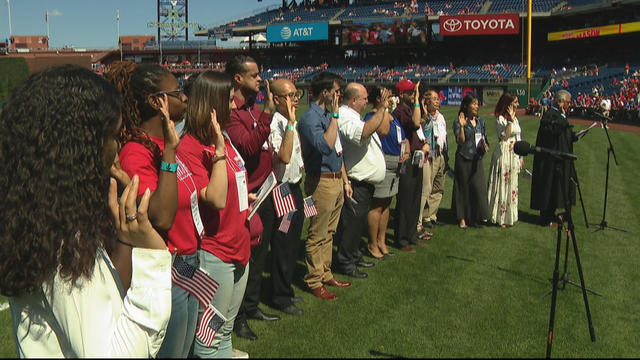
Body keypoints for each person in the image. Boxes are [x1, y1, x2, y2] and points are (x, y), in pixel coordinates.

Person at [1, 65, 171, 357]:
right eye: (115, 136)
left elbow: (97, 306)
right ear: (81, 146)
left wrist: (126, 239)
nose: (118, 150)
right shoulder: (66, 245)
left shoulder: (39, 217)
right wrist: (153, 258)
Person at [107, 62, 196, 358]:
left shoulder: (163, 142)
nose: (184, 97)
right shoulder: (136, 152)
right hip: (165, 274)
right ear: (156, 101)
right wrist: (170, 152)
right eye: (177, 91)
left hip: (187, 266)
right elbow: (161, 216)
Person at [178, 71, 250, 357]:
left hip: (239, 247)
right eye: (230, 101)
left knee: (225, 330)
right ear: (212, 105)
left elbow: (232, 184)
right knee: (209, 339)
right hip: (214, 254)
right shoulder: (190, 147)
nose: (235, 106)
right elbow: (216, 199)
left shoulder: (225, 138)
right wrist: (219, 151)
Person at [224, 55, 279, 341]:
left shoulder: (253, 108)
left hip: (265, 191)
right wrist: (267, 114)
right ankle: (238, 317)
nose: (260, 79)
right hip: (248, 195)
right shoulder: (230, 113)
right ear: (238, 78)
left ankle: (252, 305)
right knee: (244, 260)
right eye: (255, 75)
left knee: (259, 258)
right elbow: (247, 146)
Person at [298, 72, 352, 301]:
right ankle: (314, 280)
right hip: (320, 182)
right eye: (337, 91)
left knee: (329, 232)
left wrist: (346, 180)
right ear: (325, 92)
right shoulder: (311, 118)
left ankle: (325, 272)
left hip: (336, 180)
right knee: (317, 233)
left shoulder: (329, 115)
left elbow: (338, 152)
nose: (339, 95)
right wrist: (336, 115)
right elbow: (326, 145)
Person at [334, 83, 387, 279]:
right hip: (356, 181)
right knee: (351, 224)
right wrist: (381, 109)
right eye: (364, 98)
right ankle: (346, 261)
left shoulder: (353, 116)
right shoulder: (345, 115)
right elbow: (362, 134)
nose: (367, 101)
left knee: (357, 224)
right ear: (354, 100)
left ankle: (354, 255)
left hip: (364, 182)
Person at [268, 79, 305, 316]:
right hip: (282, 190)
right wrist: (291, 124)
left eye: (296, 93)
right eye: (290, 95)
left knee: (292, 243)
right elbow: (283, 156)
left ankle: (286, 288)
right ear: (277, 99)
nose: (295, 99)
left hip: (295, 188)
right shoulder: (276, 124)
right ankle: (279, 296)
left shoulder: (290, 122)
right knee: (283, 243)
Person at [366, 85, 408, 259]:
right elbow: (382, 131)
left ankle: (381, 241)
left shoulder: (393, 117)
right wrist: (383, 108)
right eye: (387, 96)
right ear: (378, 98)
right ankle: (372, 243)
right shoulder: (373, 116)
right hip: (382, 163)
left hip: (395, 164)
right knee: (377, 205)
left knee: (386, 205)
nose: (391, 99)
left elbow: (403, 137)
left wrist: (406, 152)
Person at [531, 89, 579, 226]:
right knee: (548, 188)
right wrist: (564, 121)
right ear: (560, 102)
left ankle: (551, 215)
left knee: (555, 188)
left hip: (558, 159)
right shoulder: (550, 115)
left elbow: (562, 134)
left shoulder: (559, 115)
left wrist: (574, 136)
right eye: (568, 102)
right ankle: (546, 217)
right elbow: (552, 133)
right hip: (549, 161)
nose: (569, 105)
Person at [392, 79, 429, 252]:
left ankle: (412, 234)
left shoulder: (408, 109)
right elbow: (415, 123)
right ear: (402, 94)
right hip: (407, 158)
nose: (413, 95)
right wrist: (417, 101)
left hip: (417, 156)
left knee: (415, 196)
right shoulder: (400, 110)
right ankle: (402, 239)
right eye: (410, 92)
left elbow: (419, 126)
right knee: (406, 200)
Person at [452, 94, 489, 228]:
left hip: (477, 159)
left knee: (477, 188)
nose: (476, 106)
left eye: (477, 103)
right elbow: (459, 141)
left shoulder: (481, 122)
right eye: (473, 104)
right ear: (466, 106)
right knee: (463, 188)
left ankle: (474, 216)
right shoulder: (459, 121)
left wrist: (485, 146)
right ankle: (462, 218)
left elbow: (485, 140)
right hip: (463, 158)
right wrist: (462, 127)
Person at [487, 92, 523, 228]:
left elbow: (518, 136)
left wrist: (521, 156)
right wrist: (510, 121)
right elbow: (505, 136)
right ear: (508, 104)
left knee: (512, 185)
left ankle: (510, 217)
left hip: (514, 154)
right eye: (515, 102)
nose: (518, 105)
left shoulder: (516, 118)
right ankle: (500, 217)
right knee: (502, 184)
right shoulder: (500, 119)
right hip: (504, 153)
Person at [422, 89, 448, 229]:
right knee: (428, 187)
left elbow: (445, 138)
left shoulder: (441, 117)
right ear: (427, 101)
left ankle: (432, 215)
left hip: (440, 155)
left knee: (439, 188)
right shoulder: (425, 117)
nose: (437, 101)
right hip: (429, 156)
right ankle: (424, 217)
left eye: (438, 99)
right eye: (434, 99)